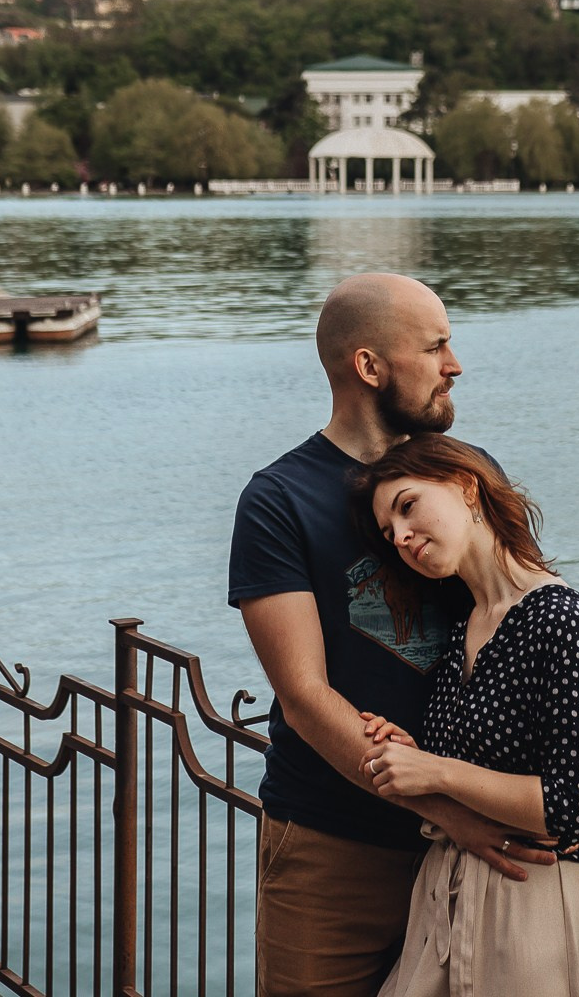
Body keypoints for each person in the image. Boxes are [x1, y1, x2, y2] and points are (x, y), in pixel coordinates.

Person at [228, 273, 556, 997]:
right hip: (334, 848)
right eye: (436, 345)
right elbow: (306, 695)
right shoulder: (278, 501)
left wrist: (493, 806)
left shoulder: (467, 474)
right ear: (369, 367)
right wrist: (442, 812)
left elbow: (526, 618)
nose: (455, 364)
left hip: (478, 849)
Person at [351, 434, 579, 997]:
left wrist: (436, 773)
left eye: (408, 506)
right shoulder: (465, 625)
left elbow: (577, 804)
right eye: (388, 533)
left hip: (532, 907)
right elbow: (477, 761)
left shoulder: (561, 620)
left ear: (466, 486)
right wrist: (414, 755)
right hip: (446, 898)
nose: (401, 537)